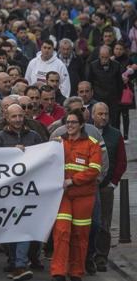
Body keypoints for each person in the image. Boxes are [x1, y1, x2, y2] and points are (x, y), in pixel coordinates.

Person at [51, 109, 102, 281]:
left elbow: (95, 169)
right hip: (63, 196)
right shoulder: (58, 143)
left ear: (81, 124)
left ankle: (76, 272)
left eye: (73, 122)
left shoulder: (92, 143)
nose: (70, 125)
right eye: (68, 122)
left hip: (84, 197)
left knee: (80, 234)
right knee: (61, 232)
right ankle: (58, 271)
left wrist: (73, 180)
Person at [0, 104, 43, 281]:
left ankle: (20, 265)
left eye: (20, 116)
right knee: (11, 227)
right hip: (7, 192)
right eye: (14, 116)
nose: (17, 120)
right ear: (7, 117)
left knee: (23, 227)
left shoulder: (34, 136)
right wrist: (11, 153)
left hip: (28, 191)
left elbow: (42, 159)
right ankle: (14, 261)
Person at [92, 103, 127, 272]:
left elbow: (121, 161)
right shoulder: (88, 132)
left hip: (106, 187)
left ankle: (101, 257)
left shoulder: (115, 135)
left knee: (104, 223)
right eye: (100, 114)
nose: (103, 117)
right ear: (93, 115)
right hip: (88, 186)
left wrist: (113, 182)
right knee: (90, 222)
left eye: (106, 113)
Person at [86, 45, 123, 128]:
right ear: (99, 56)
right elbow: (89, 82)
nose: (104, 60)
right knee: (98, 121)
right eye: (102, 57)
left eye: (106, 57)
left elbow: (120, 83)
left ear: (110, 56)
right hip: (98, 98)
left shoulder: (116, 65)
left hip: (113, 99)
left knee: (114, 121)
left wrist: (118, 98)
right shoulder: (93, 65)